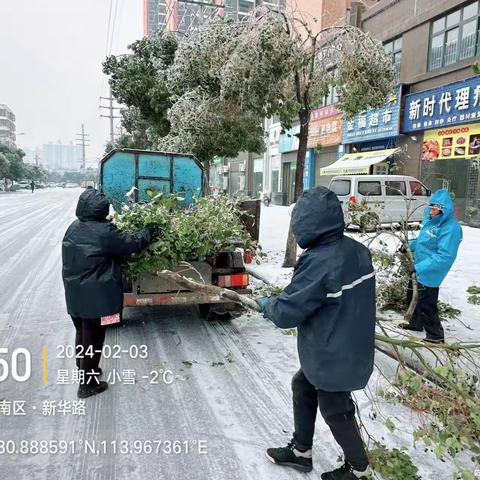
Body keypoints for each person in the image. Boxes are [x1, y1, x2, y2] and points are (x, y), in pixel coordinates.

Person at [256, 186, 375, 480]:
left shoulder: (321, 261)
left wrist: (267, 304)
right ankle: (301, 451)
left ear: (307, 223)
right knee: (303, 384)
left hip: (333, 351)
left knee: (335, 408)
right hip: (351, 343)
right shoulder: (356, 250)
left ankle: (358, 469)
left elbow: (286, 312)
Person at [62, 188, 156, 399]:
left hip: (75, 295)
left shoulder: (73, 228)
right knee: (94, 338)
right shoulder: (104, 232)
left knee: (83, 333)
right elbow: (130, 243)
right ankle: (87, 385)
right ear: (101, 210)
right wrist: (148, 232)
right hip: (97, 298)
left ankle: (87, 369)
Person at [400, 188, 462, 343]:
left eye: (435, 209)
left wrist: (420, 267)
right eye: (430, 208)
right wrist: (409, 246)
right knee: (411, 294)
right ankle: (415, 324)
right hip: (420, 265)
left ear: (444, 210)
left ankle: (435, 336)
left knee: (426, 303)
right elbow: (424, 242)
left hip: (432, 270)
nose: (431, 211)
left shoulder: (451, 229)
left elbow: (445, 256)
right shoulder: (431, 221)